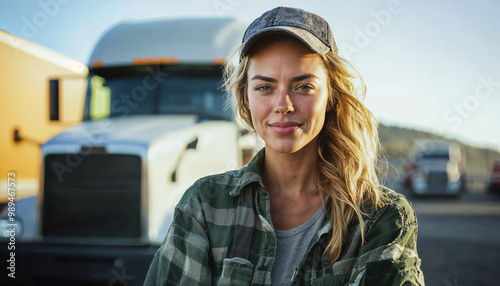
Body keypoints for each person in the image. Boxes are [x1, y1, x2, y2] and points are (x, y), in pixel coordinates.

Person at [144, 6, 424, 285]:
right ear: (245, 99)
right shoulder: (205, 206)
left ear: (331, 97)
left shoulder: (380, 218)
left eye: (303, 86)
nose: (283, 106)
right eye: (265, 87)